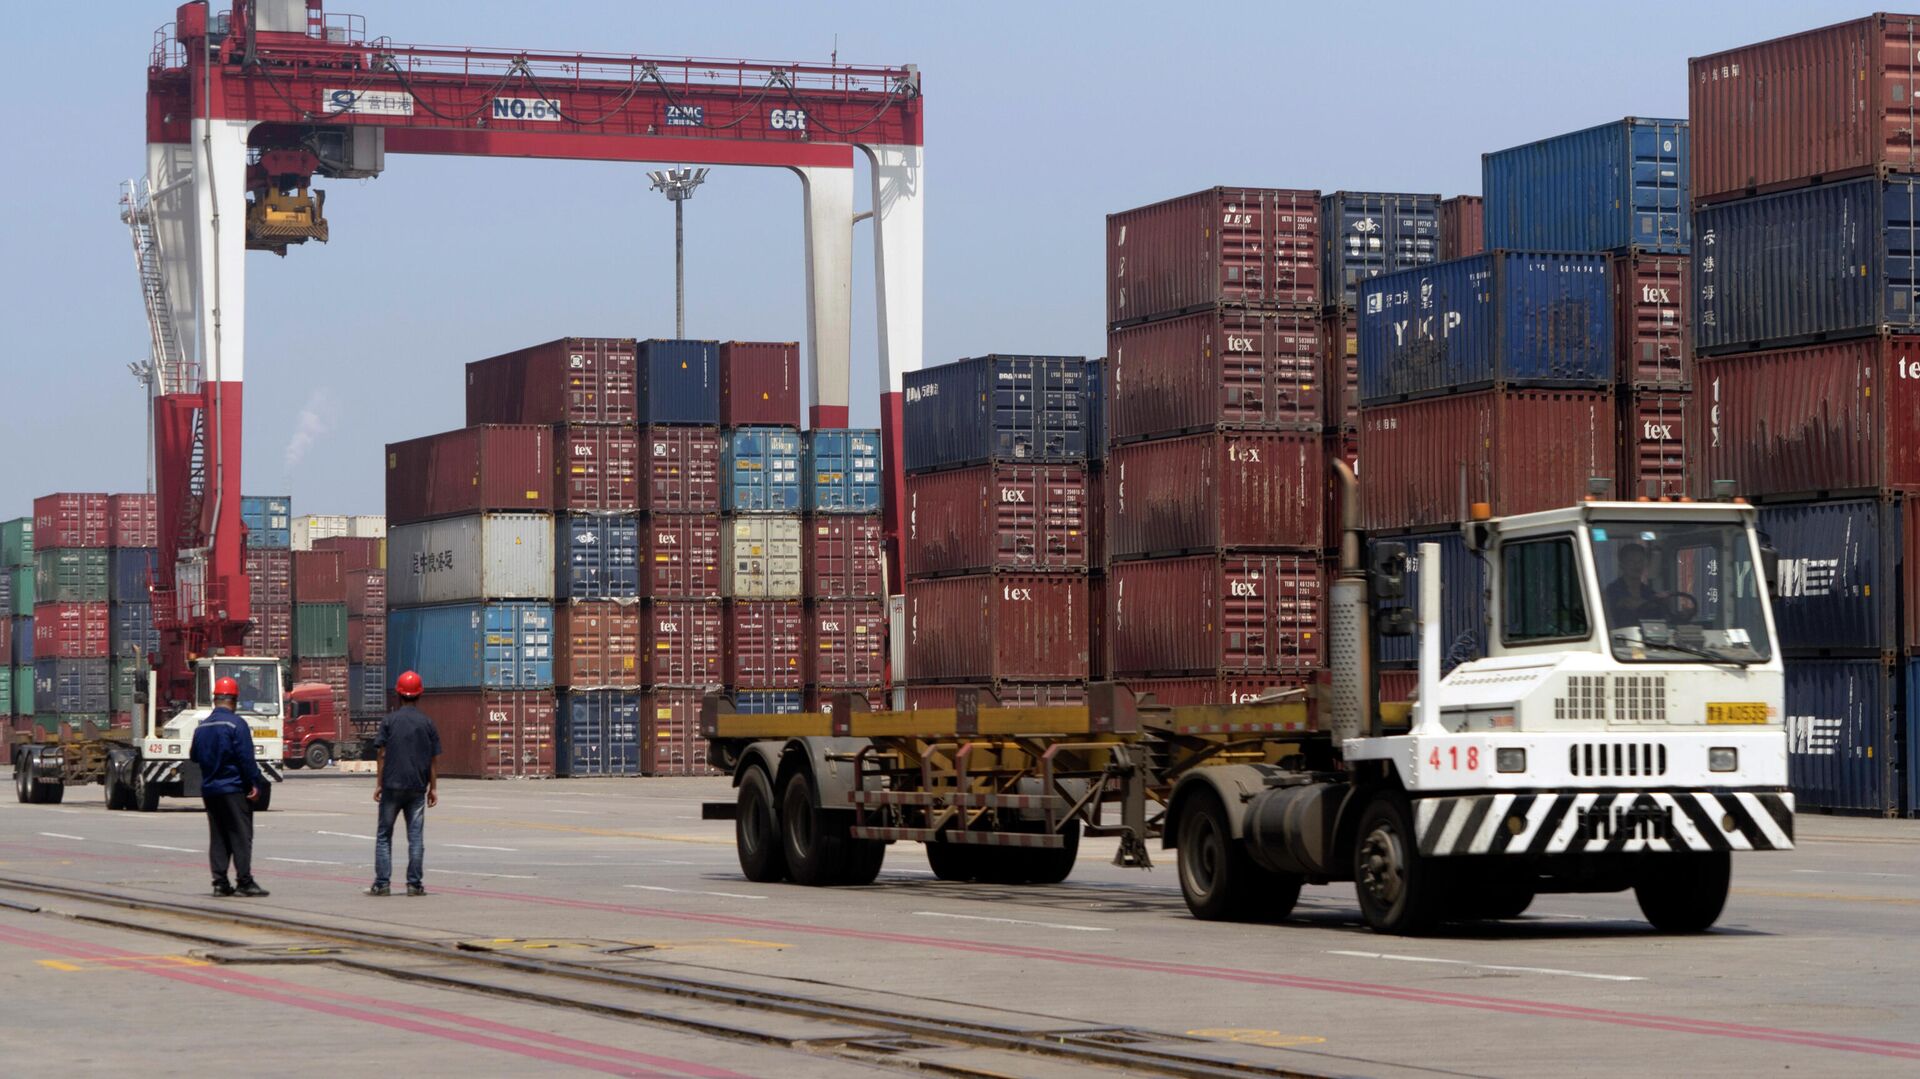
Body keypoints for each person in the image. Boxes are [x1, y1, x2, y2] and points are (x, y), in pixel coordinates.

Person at [189, 676, 269, 898]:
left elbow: (194, 756)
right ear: (234, 700)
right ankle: (244, 881)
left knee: (218, 836)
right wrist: (254, 782)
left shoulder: (202, 727)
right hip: (233, 788)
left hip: (210, 790)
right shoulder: (237, 724)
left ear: (215, 699)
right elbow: (246, 758)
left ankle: (220, 882)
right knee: (241, 835)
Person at [368, 670, 441, 897]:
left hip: (391, 786)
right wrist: (433, 788)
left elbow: (381, 755)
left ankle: (382, 884)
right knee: (415, 837)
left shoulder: (389, 721)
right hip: (417, 788)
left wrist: (379, 784)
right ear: (419, 695)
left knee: (384, 835)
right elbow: (432, 760)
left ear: (398, 694)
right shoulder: (427, 723)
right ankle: (414, 884)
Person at [1604, 544, 1669, 627]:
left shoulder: (1649, 592)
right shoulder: (1613, 591)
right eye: (1631, 561)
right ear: (1622, 565)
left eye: (1640, 561)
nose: (1637, 565)